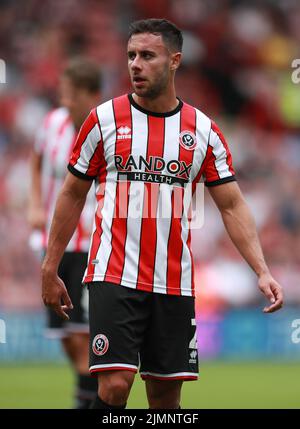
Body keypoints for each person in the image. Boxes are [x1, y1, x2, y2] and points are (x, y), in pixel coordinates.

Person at [41, 19, 283, 409]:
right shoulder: (103, 120)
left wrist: (262, 269)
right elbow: (71, 193)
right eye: (131, 55)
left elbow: (232, 205)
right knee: (114, 386)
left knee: (166, 399)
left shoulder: (203, 131)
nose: (135, 64)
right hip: (113, 273)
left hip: (174, 283)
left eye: (147, 56)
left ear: (174, 61)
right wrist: (50, 266)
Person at [28, 57, 101, 409]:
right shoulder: (52, 122)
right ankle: (86, 396)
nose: (65, 101)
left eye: (71, 94)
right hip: (55, 244)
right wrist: (34, 204)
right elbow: (37, 159)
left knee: (85, 333)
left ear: (92, 95)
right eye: (63, 93)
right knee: (64, 335)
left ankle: (87, 402)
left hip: (91, 246)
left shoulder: (106, 130)